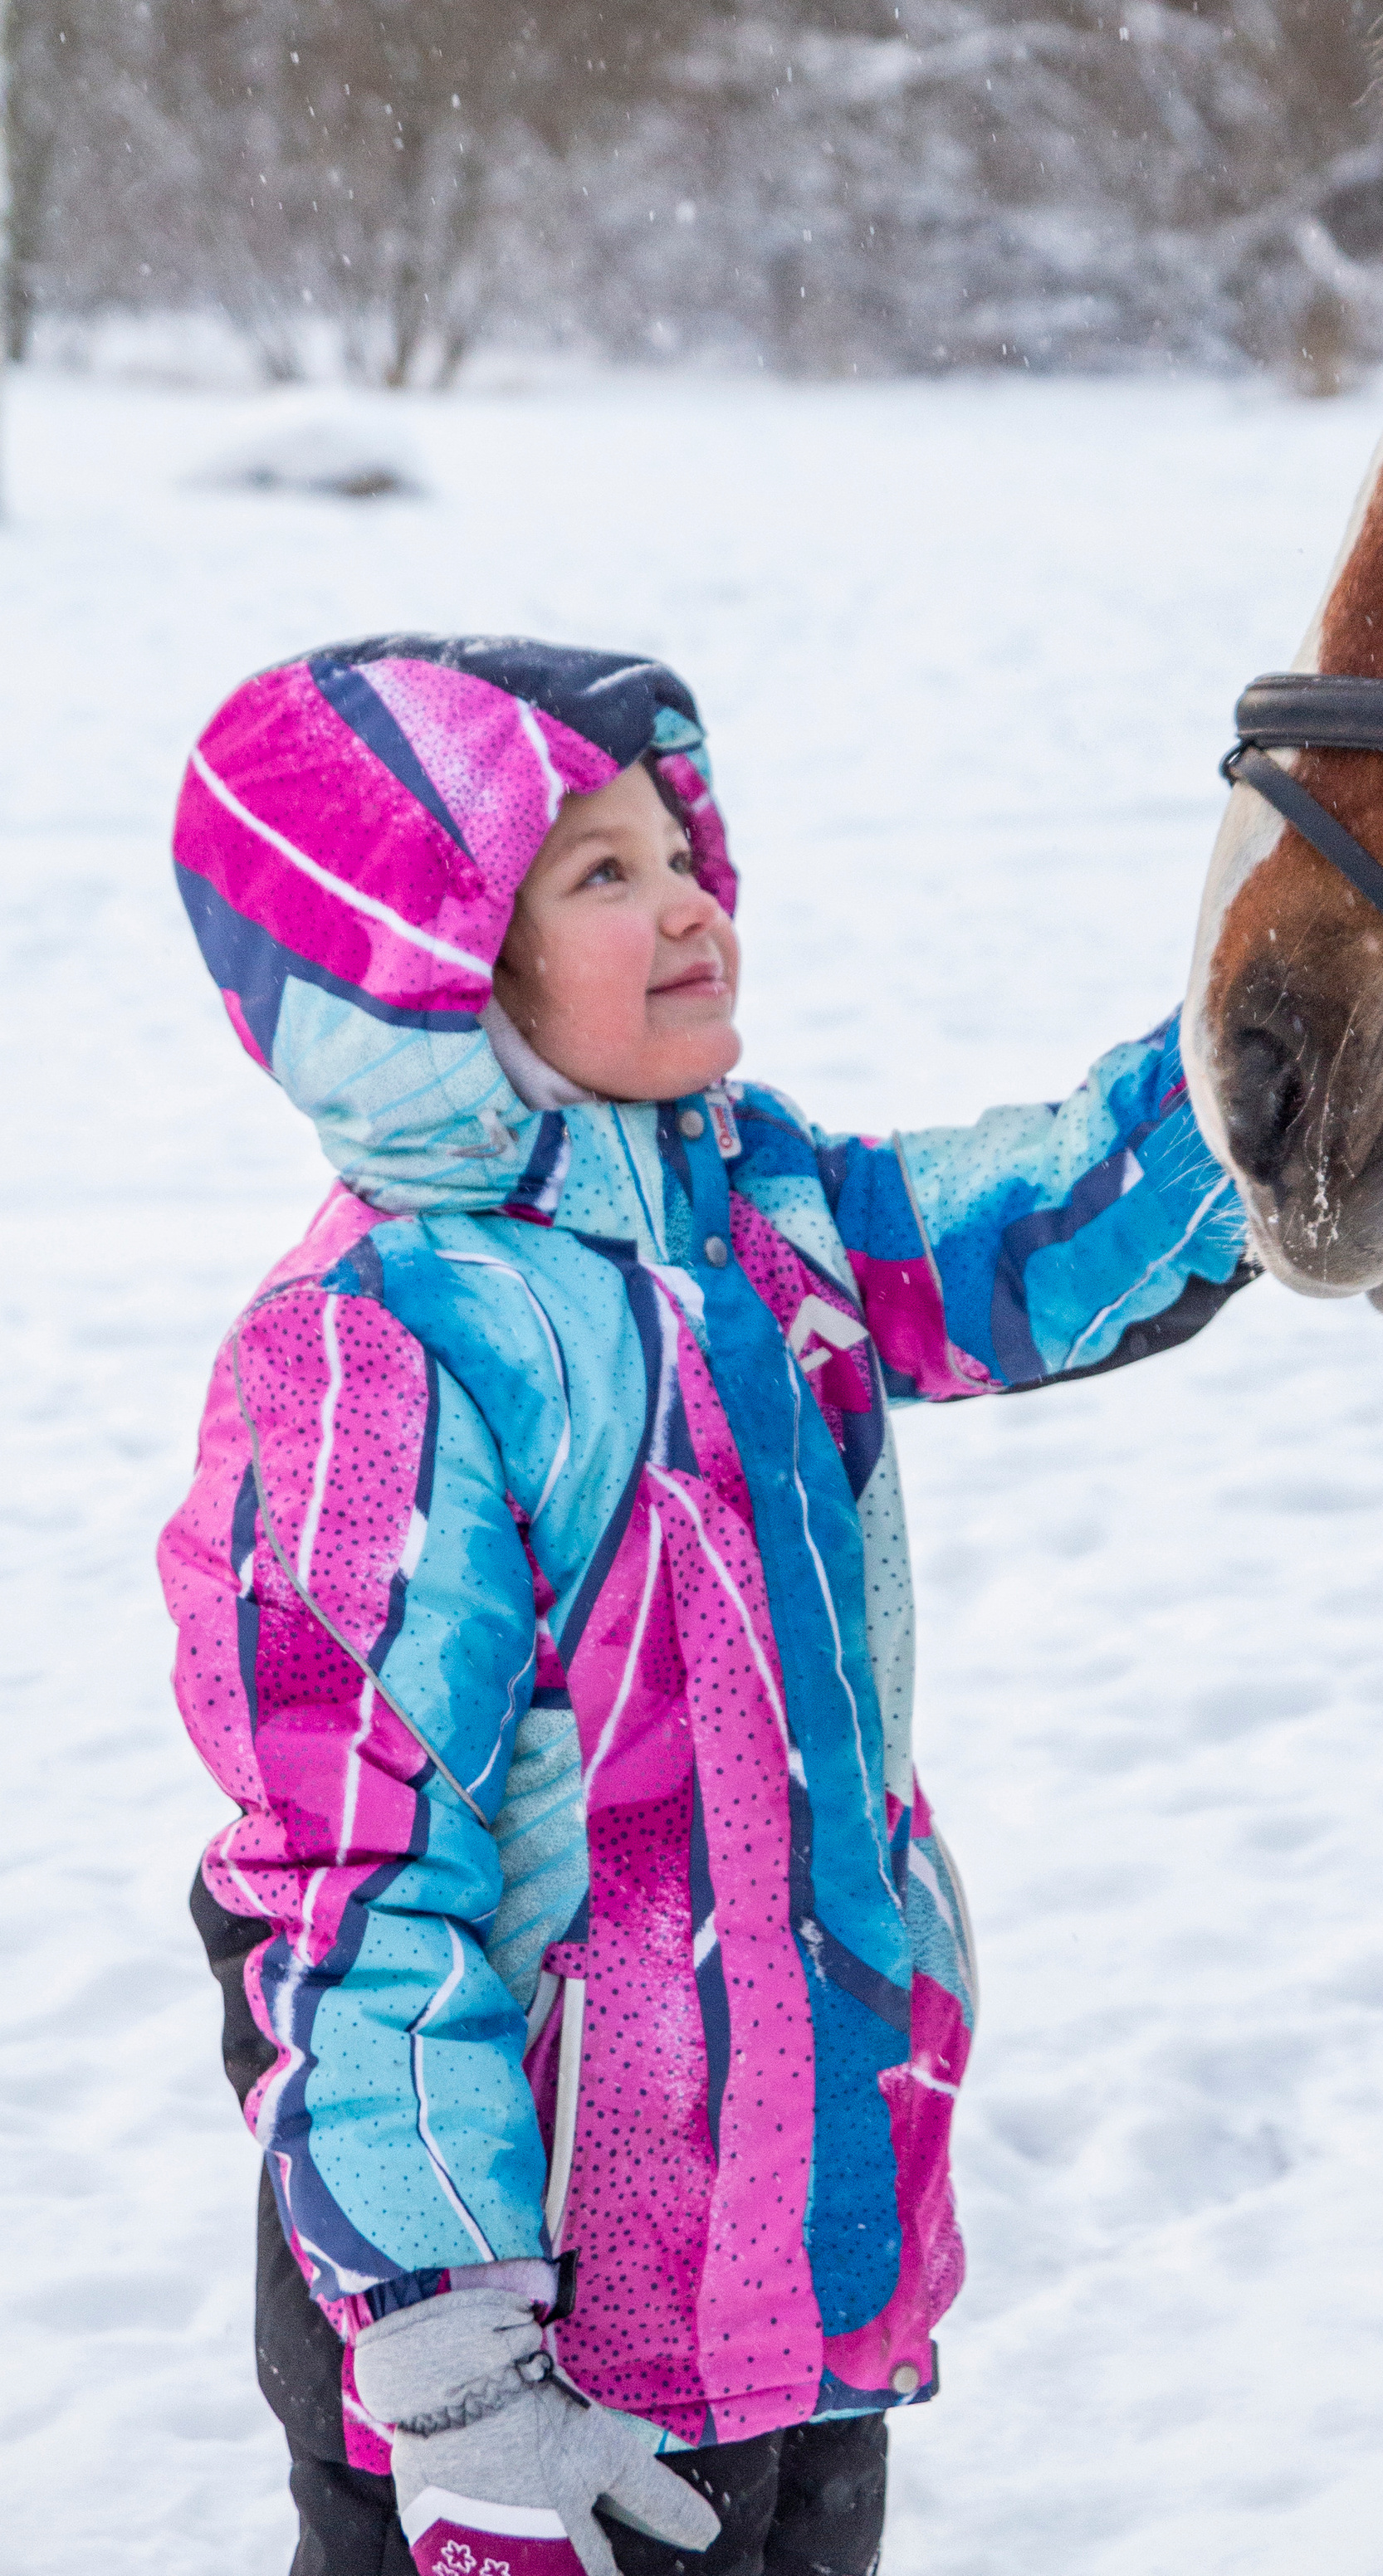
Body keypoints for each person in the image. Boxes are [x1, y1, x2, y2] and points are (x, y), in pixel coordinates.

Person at [159, 634, 1249, 2576]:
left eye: (681, 854)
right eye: (595, 875)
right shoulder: (378, 1354)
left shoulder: (765, 1221)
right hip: (524, 2341)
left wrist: (1301, 1045)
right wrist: (452, 2358)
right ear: (430, 979)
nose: (684, 904)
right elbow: (348, 1883)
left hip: (803, 2255)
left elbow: (1039, 1228)